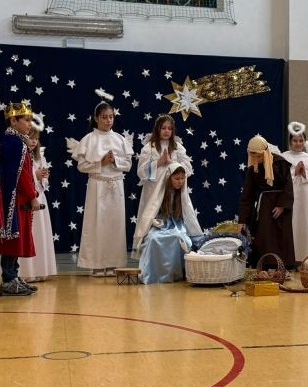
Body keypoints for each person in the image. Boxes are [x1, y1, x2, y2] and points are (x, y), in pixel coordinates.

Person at [71, 91, 133, 276]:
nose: (108, 120)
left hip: (116, 186)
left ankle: (113, 263)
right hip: (97, 186)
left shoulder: (120, 139)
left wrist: (115, 161)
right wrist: (101, 163)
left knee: (115, 225)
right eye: (104, 117)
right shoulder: (89, 139)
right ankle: (97, 264)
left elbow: (128, 165)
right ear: (96, 118)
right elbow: (82, 166)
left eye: (111, 117)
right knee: (96, 224)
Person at [134, 163, 203, 284]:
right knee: (153, 239)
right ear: (169, 178)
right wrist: (153, 220)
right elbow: (151, 211)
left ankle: (175, 273)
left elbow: (188, 216)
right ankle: (154, 274)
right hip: (160, 225)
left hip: (177, 225)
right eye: (177, 179)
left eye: (182, 178)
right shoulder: (160, 193)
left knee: (179, 238)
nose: (180, 182)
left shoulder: (182, 195)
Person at [0, 101, 41, 296]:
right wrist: (33, 196)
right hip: (14, 200)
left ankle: (13, 276)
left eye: (31, 120)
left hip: (19, 199)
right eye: (26, 120)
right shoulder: (14, 144)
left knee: (17, 238)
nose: (30, 124)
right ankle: (9, 279)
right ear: (13, 121)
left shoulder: (18, 142)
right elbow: (21, 175)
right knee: (12, 238)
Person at [238, 134, 295, 269]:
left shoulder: (280, 162)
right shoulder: (253, 167)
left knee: (281, 236)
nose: (257, 159)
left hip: (280, 204)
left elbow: (288, 186)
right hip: (264, 205)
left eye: (259, 156)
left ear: (265, 152)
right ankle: (265, 264)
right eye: (253, 156)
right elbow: (248, 195)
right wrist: (243, 220)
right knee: (264, 235)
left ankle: (282, 266)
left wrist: (282, 205)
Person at [19, 122, 57, 282]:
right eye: (30, 137)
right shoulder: (20, 155)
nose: (33, 141)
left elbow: (45, 180)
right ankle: (26, 272)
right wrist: (35, 175)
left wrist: (43, 177)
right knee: (29, 233)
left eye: (36, 138)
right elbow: (21, 177)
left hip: (39, 196)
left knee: (40, 234)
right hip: (26, 198)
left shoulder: (40, 157)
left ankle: (40, 270)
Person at [136, 114, 193, 222]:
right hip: (154, 191)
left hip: (173, 191)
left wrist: (172, 163)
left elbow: (188, 169)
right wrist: (158, 163)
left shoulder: (177, 147)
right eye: (163, 128)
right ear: (157, 129)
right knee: (153, 219)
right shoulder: (149, 147)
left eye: (169, 128)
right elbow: (141, 171)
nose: (166, 131)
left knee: (173, 217)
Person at [281, 121, 308, 265]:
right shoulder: (284, 156)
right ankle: (290, 258)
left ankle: (305, 258)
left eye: (301, 140)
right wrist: (294, 172)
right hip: (290, 196)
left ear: (304, 141)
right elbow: (280, 179)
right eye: (295, 140)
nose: (298, 143)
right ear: (290, 141)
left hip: (306, 198)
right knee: (292, 225)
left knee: (304, 225)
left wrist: (305, 174)